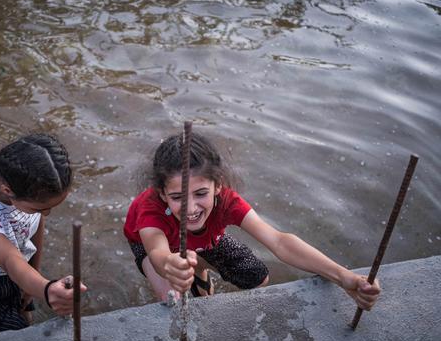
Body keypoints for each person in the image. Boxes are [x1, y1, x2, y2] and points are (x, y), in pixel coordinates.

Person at [123, 132, 380, 311]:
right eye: (177, 197)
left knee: (256, 277)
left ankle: (199, 265)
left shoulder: (227, 202)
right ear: (161, 194)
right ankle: (195, 267)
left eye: (201, 194)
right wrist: (170, 265)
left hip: (204, 240)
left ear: (218, 186)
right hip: (160, 249)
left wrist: (343, 276)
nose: (191, 208)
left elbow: (279, 242)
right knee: (176, 300)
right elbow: (156, 250)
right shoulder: (150, 208)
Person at [0, 133, 87, 336]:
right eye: (39, 209)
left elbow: (35, 229)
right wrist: (47, 288)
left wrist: (33, 283)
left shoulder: (26, 195)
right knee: (14, 338)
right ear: (7, 191)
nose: (45, 214)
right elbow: (10, 260)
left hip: (23, 275)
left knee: (24, 316)